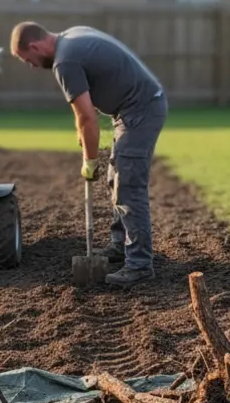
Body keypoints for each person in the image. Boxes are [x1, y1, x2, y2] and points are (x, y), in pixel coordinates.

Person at [9, 21, 167, 287]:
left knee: (129, 187)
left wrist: (89, 161)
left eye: (28, 59)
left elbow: (87, 117)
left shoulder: (65, 62)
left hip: (140, 110)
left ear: (35, 46)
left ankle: (140, 265)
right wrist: (82, 133)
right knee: (116, 179)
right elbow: (82, 116)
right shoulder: (72, 36)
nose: (32, 66)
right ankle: (120, 245)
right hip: (132, 109)